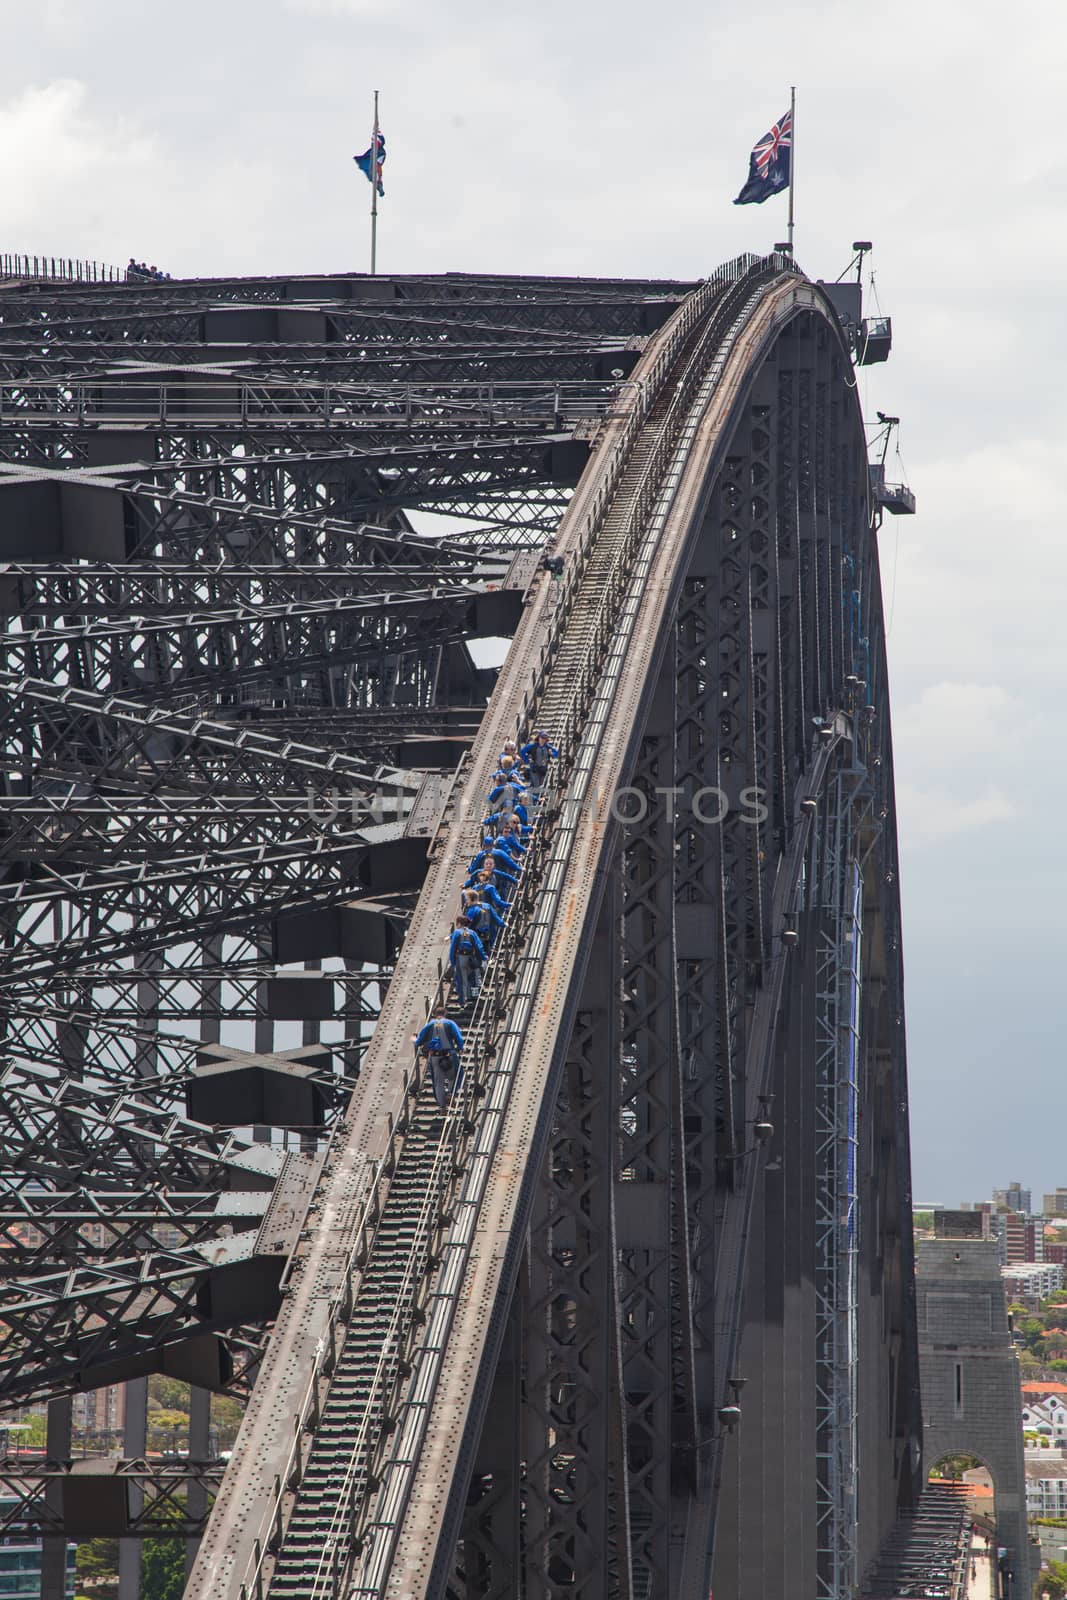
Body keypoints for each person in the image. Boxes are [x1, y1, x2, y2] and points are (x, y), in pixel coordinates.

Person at [413, 1006, 464, 1109]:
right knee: (457, 1074)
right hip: (449, 1054)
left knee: (438, 1082)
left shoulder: (429, 1025)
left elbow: (419, 1041)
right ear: (445, 1013)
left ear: (435, 1014)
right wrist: (460, 1047)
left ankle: (442, 1106)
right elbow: (459, 1037)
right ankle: (451, 1093)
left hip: (435, 1056)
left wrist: (414, 1039)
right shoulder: (450, 1023)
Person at [449, 918, 486, 1007]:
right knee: (473, 977)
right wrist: (483, 957)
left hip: (460, 958)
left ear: (459, 923)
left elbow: (453, 948)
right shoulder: (472, 933)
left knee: (462, 980)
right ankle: (475, 997)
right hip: (471, 958)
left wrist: (452, 962)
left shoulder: (457, 933)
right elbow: (478, 946)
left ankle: (462, 1001)